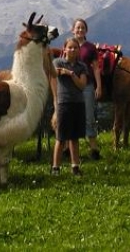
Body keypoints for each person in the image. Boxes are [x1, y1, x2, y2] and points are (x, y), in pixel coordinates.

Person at [51, 38, 88, 176]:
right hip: (64, 103)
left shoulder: (82, 66)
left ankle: (75, 166)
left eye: (75, 48)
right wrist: (63, 72)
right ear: (64, 49)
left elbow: (82, 85)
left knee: (74, 137)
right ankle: (55, 167)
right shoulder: (58, 62)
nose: (73, 50)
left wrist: (71, 74)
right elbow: (54, 73)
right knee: (60, 137)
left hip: (78, 103)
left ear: (79, 50)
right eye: (70, 47)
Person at [72, 18, 102, 160]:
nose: (80, 30)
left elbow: (96, 68)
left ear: (86, 30)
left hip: (87, 86)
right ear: (73, 30)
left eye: (82, 28)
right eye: (78, 28)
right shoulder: (69, 45)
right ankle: (68, 148)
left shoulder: (90, 47)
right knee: (71, 116)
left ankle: (93, 148)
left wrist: (99, 86)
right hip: (71, 87)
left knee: (89, 116)